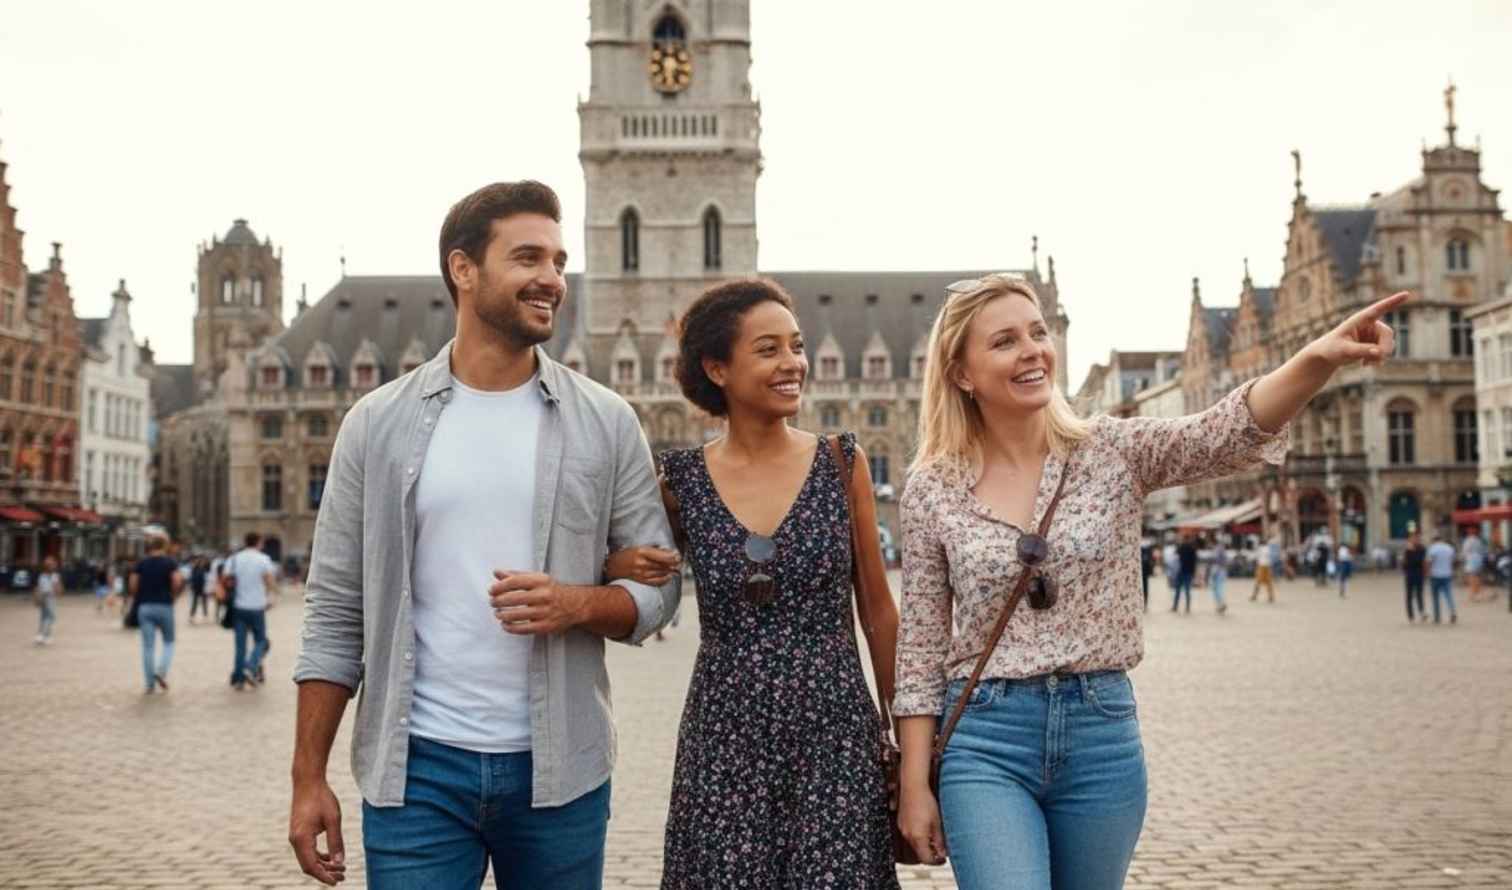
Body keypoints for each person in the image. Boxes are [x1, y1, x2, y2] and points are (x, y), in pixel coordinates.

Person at [894, 272, 1409, 888]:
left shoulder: (1112, 449)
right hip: (985, 737)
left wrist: (1316, 358)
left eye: (1038, 333)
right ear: (961, 373)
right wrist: (913, 788)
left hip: (1098, 732)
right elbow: (920, 650)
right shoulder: (932, 487)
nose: (1033, 350)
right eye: (1005, 341)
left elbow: (1225, 432)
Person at [289, 181, 680, 890]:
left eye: (559, 261)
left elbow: (660, 587)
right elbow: (335, 610)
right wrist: (307, 778)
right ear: (462, 269)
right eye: (528, 257)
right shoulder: (376, 425)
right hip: (417, 771)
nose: (554, 280)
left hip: (562, 766)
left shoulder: (606, 420)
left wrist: (577, 603)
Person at [607, 278, 901, 889]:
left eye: (796, 347)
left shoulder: (841, 462)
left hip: (836, 731)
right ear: (717, 368)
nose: (792, 363)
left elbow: (877, 609)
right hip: (725, 735)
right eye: (769, 350)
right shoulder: (680, 482)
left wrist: (902, 730)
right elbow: (634, 569)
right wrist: (615, 568)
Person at [129, 536, 183, 694]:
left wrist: (138, 595)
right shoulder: (170, 562)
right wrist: (173, 596)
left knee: (148, 647)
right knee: (169, 642)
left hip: (145, 607)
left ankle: (149, 684)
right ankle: (161, 671)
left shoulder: (142, 563)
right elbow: (177, 581)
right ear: (164, 546)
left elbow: (133, 583)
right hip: (164, 605)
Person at [227, 532, 278, 688]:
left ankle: (238, 678)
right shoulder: (263, 559)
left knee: (240, 645)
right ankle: (250, 666)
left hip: (239, 606)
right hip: (257, 606)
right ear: (259, 542)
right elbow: (269, 580)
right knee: (261, 641)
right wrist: (272, 597)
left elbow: (226, 578)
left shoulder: (234, 559)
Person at [1426, 534, 1459, 625]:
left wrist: (1428, 572)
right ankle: (1452, 612)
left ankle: (1437, 617)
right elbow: (1453, 561)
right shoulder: (1449, 548)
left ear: (1434, 540)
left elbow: (1429, 561)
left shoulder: (1433, 548)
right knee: (1448, 595)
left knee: (1435, 597)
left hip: (1435, 575)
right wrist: (1452, 570)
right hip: (1447, 574)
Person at [34, 556, 60, 644]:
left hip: (51, 597)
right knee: (50, 617)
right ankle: (44, 635)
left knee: (46, 617)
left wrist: (57, 589)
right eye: (51, 565)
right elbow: (38, 588)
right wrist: (37, 598)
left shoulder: (54, 576)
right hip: (45, 597)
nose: (53, 567)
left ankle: (42, 635)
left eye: (53, 565)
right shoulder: (42, 576)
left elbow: (58, 589)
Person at [1402, 531, 1427, 622]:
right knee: (1409, 595)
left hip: (1419, 574)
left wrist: (1425, 574)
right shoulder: (1406, 550)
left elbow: (1421, 561)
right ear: (1409, 539)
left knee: (1419, 594)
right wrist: (1408, 552)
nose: (1415, 539)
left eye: (1417, 538)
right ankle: (1410, 615)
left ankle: (1422, 612)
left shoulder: (1422, 548)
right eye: (1413, 538)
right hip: (1409, 575)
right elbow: (1404, 564)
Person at [1173, 535, 1197, 613]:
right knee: (1186, 590)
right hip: (1188, 572)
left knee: (1178, 590)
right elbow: (1194, 562)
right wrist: (1193, 572)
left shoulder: (1181, 547)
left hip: (1181, 571)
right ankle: (1187, 607)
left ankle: (1175, 606)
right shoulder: (1192, 549)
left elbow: (1175, 555)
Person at [1460, 529, 1486, 602]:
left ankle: (1473, 595)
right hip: (1479, 559)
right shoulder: (1478, 541)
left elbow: (1465, 551)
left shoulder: (1468, 541)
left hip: (1471, 559)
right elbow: (1482, 551)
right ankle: (1479, 595)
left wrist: (1463, 558)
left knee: (1471, 578)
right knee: (1477, 577)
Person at [1250, 537, 1276, 603]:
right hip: (1267, 566)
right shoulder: (1268, 548)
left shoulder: (1260, 548)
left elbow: (1255, 557)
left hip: (1262, 566)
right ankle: (1271, 597)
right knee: (1269, 582)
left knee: (1258, 582)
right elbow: (1271, 557)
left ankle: (1254, 596)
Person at [1209, 537, 1229, 615]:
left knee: (1216, 589)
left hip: (1218, 571)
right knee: (1219, 588)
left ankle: (1221, 604)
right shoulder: (1221, 549)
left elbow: (1216, 560)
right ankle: (1220, 605)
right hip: (1222, 571)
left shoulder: (1217, 549)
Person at [188, 557, 211, 624]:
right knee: (198, 603)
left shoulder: (200, 569)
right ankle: (193, 616)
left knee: (201, 603)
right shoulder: (197, 569)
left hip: (199, 588)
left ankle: (204, 616)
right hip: (199, 588)